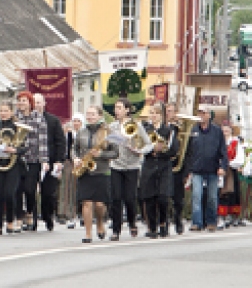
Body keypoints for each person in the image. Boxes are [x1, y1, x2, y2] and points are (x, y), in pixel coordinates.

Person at [73, 104, 118, 243]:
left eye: (93, 114)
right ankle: (88, 233)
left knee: (99, 204)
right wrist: (75, 158)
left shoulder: (108, 131)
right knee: (86, 202)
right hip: (85, 170)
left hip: (101, 170)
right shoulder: (81, 131)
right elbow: (74, 149)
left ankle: (99, 222)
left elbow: (116, 152)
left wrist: (101, 153)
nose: (90, 116)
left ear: (99, 116)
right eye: (88, 114)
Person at [186, 107, 228, 232]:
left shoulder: (217, 131)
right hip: (197, 169)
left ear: (209, 115)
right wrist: (188, 170)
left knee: (212, 197)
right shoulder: (193, 130)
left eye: (204, 113)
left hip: (212, 169)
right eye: (199, 113)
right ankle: (197, 222)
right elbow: (188, 152)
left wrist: (223, 167)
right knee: (196, 196)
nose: (202, 115)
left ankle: (211, 221)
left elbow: (223, 152)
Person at [108, 98, 144, 240]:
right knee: (116, 198)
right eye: (116, 107)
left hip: (132, 166)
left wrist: (134, 146)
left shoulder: (137, 125)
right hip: (116, 165)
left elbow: (144, 145)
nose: (116, 110)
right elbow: (110, 145)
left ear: (127, 110)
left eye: (119, 108)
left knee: (129, 198)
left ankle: (132, 223)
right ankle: (116, 229)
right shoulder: (112, 126)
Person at [0, 101, 26, 235]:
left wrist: (14, 149)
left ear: (11, 112)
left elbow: (25, 147)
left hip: (13, 165)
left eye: (6, 111)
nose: (3, 113)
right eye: (1, 111)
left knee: (10, 194)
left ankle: (10, 221)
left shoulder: (17, 127)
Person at [139, 103, 177, 238]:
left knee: (162, 198)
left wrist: (161, 151)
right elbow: (139, 145)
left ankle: (163, 222)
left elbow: (174, 150)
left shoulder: (168, 131)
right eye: (151, 113)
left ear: (161, 115)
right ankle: (152, 227)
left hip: (163, 166)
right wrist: (149, 150)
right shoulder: (145, 129)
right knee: (149, 198)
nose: (153, 116)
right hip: (149, 166)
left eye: (156, 113)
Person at [13, 91, 49, 232]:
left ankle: (29, 212)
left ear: (30, 103)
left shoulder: (39, 118)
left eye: (24, 100)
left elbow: (43, 141)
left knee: (29, 189)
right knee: (16, 189)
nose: (21, 103)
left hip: (33, 159)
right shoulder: (15, 118)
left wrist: (44, 160)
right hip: (17, 158)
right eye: (19, 101)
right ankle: (19, 218)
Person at [31, 93, 66, 231]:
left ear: (44, 104)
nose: (37, 105)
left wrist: (59, 160)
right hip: (33, 161)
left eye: (39, 102)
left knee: (48, 193)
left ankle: (48, 216)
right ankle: (32, 219)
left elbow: (60, 142)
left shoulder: (53, 121)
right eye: (34, 102)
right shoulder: (27, 120)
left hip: (50, 162)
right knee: (30, 191)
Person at [166, 103, 189, 234]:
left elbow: (187, 150)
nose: (168, 114)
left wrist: (187, 170)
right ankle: (166, 221)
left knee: (178, 198)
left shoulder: (181, 128)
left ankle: (178, 219)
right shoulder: (164, 128)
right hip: (166, 166)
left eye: (170, 111)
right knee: (164, 197)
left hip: (178, 167)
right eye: (167, 111)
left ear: (176, 113)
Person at [217, 125, 244, 228]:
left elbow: (240, 158)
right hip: (220, 170)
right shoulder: (218, 142)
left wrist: (229, 164)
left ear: (231, 132)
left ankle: (232, 216)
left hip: (231, 170)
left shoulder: (235, 143)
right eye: (223, 131)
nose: (225, 132)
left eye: (227, 131)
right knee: (221, 193)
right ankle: (221, 216)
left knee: (232, 193)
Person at [58, 114, 82, 229]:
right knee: (65, 188)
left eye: (78, 121)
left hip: (80, 163)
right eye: (75, 121)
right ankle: (63, 212)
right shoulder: (69, 134)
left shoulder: (82, 134)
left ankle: (74, 213)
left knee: (75, 189)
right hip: (68, 162)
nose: (76, 123)